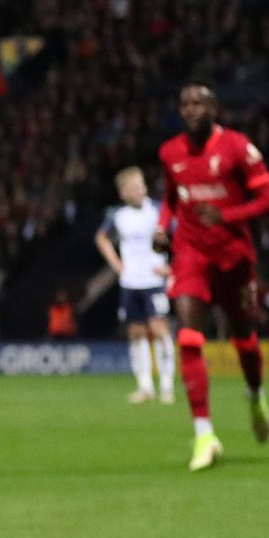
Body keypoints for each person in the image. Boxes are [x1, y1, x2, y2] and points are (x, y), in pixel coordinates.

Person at [155, 83, 269, 471]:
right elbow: (171, 199)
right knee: (190, 338)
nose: (190, 110)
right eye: (185, 103)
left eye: (198, 103)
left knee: (243, 340)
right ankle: (204, 434)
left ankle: (255, 395)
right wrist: (164, 227)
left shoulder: (238, 148)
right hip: (191, 254)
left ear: (214, 109)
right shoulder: (170, 152)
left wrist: (227, 216)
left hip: (234, 258)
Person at [94, 165, 175, 404]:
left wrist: (173, 266)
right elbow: (101, 238)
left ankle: (167, 387)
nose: (141, 190)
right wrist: (117, 265)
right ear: (124, 193)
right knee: (136, 333)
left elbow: (181, 236)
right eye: (135, 187)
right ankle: (145, 386)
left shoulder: (159, 211)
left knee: (160, 330)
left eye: (142, 186)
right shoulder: (118, 216)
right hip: (131, 282)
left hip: (154, 280)